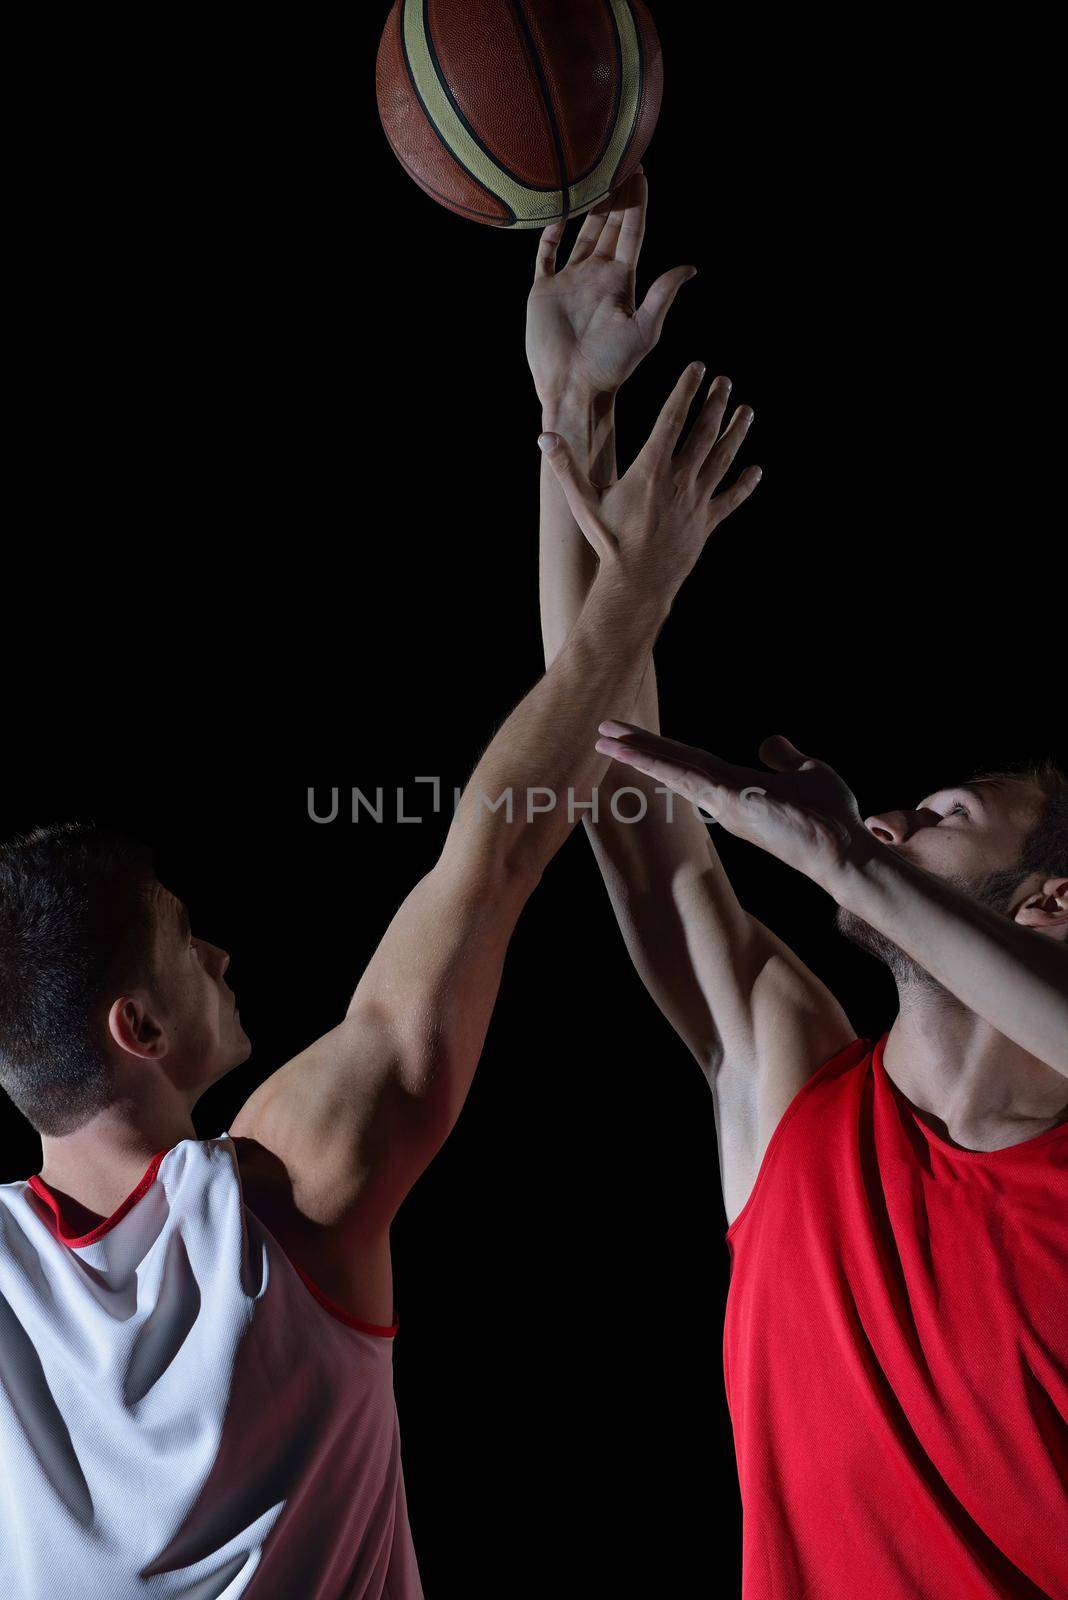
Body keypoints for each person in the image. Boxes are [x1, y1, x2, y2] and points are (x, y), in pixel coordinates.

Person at [0, 337, 758, 1598]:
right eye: (186, 937)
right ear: (134, 1023)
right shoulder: (283, 1199)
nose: (220, 950)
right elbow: (496, 854)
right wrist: (634, 571)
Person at [529, 169, 1068, 1598]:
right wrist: (571, 422)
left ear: (1052, 905)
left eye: (945, 813)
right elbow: (624, 806)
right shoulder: (792, 1089)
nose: (891, 811)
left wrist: (842, 853)